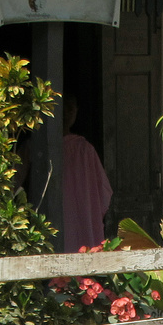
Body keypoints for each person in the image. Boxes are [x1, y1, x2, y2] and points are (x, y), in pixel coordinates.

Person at [61, 95, 113, 253]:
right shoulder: (37, 149)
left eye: (72, 107)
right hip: (81, 224)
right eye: (66, 107)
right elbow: (105, 194)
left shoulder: (85, 149)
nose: (69, 112)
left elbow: (105, 192)